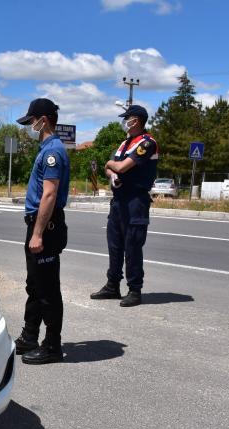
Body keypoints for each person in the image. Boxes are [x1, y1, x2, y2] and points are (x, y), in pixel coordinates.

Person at [13, 98, 70, 364]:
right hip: (38, 223)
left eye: (31, 121)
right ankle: (30, 336)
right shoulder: (47, 148)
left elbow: (49, 194)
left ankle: (52, 346)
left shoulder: (53, 151)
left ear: (43, 120)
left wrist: (37, 234)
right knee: (34, 284)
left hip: (45, 225)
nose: (30, 126)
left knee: (47, 289)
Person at [90, 105, 158, 307]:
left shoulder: (147, 143)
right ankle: (112, 285)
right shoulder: (124, 144)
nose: (124, 121)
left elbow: (117, 166)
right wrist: (112, 175)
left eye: (126, 118)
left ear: (135, 120)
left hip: (135, 201)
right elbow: (109, 168)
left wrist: (113, 167)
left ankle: (135, 290)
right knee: (115, 245)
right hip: (119, 200)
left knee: (132, 246)